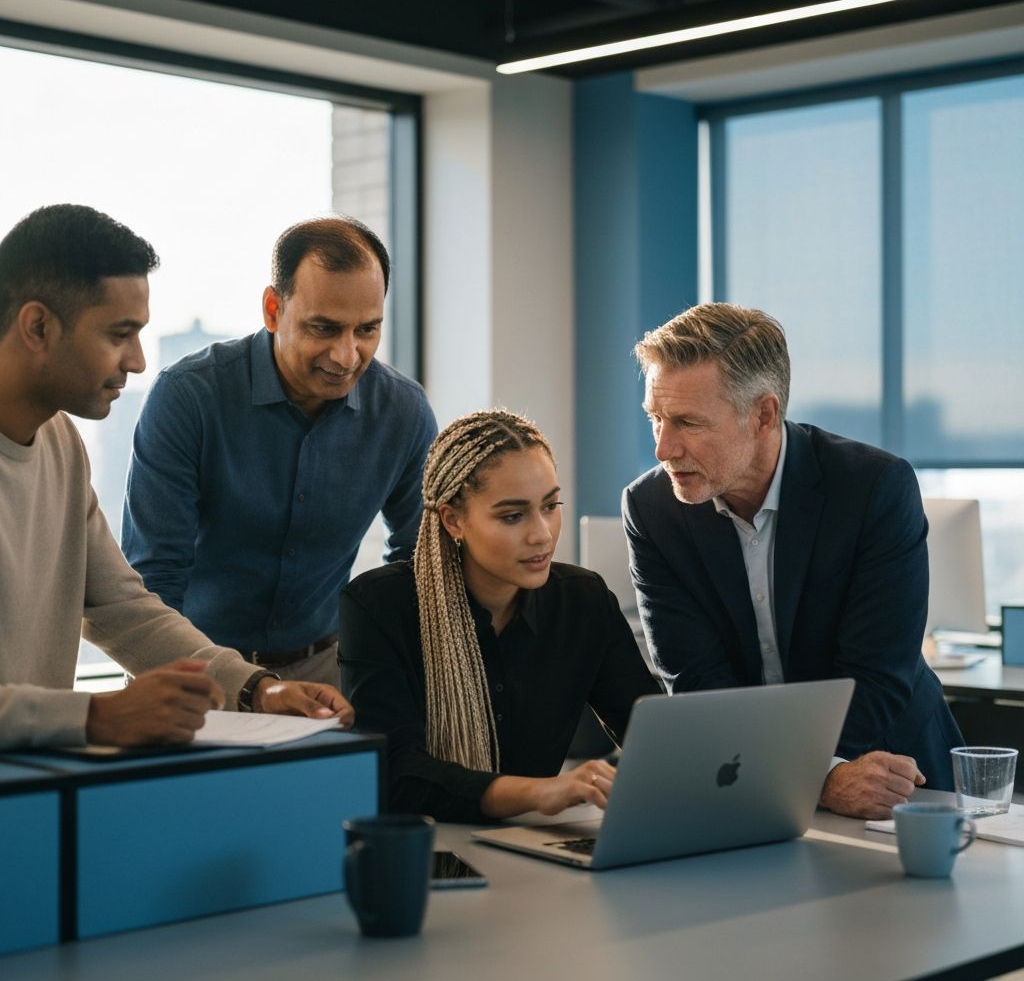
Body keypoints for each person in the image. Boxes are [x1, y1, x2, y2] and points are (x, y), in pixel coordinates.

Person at [0, 204, 354, 751]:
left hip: (32, 796)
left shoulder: (60, 444)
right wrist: (93, 717)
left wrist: (257, 689)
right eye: (120, 334)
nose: (138, 361)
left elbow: (123, 609)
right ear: (38, 325)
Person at [622, 304, 963, 820]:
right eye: (655, 418)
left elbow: (876, 675)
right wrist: (813, 779)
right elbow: (695, 682)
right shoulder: (651, 509)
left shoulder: (873, 488)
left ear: (763, 414)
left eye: (688, 422)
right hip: (750, 785)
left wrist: (821, 774)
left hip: (892, 779)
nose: (664, 448)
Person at [122, 215, 437, 685]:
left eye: (367, 330)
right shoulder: (189, 396)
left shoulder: (403, 411)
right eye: (324, 328)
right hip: (193, 664)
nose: (347, 355)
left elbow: (422, 560)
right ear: (273, 309)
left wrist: (390, 668)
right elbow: (155, 579)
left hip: (326, 671)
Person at [339, 410, 659, 823]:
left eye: (550, 505)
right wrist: (541, 792)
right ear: (453, 519)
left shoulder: (584, 600)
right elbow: (396, 774)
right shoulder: (379, 604)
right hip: (429, 849)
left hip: (532, 846)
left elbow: (649, 733)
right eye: (513, 515)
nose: (541, 533)